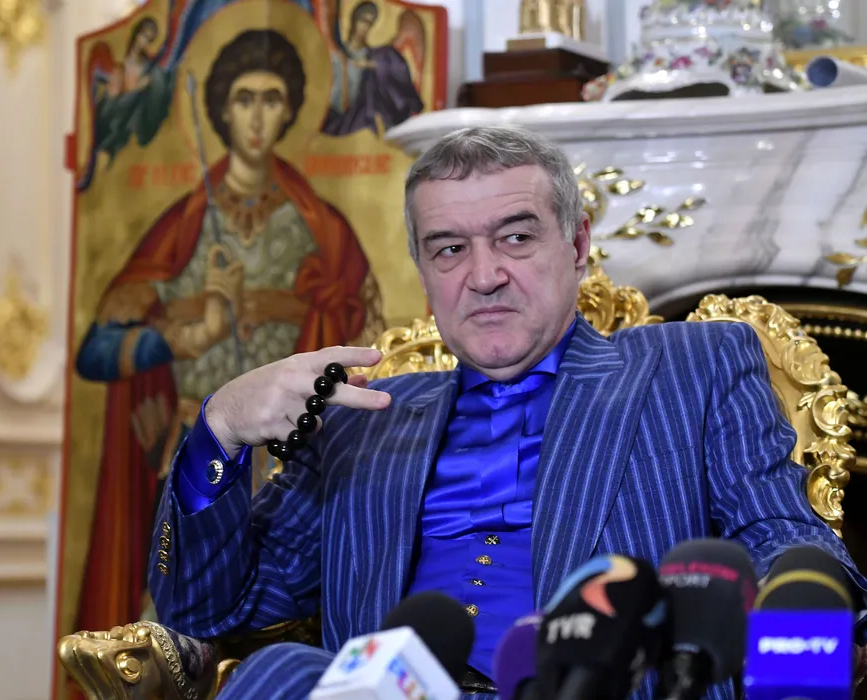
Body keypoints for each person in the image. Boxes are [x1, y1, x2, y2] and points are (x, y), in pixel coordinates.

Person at [147, 125, 866, 699]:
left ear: (577, 245)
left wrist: (805, 660)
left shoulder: (693, 368)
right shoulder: (361, 419)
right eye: (449, 249)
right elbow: (209, 612)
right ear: (423, 273)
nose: (484, 275)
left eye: (516, 237)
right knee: (280, 673)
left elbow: (780, 536)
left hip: (595, 684)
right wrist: (220, 430)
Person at [74, 28, 381, 635]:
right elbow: (96, 348)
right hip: (194, 448)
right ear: (220, 110)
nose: (258, 116)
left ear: (291, 110)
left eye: (272, 98)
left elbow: (366, 331)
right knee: (174, 632)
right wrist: (182, 336)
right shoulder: (185, 223)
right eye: (244, 98)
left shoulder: (322, 226)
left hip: (302, 462)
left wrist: (286, 309)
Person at [321, 0, 424, 137]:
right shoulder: (336, 55)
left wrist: (372, 66)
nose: (364, 27)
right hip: (339, 118)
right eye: (362, 20)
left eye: (369, 23)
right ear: (354, 19)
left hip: (364, 117)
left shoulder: (375, 55)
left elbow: (393, 70)